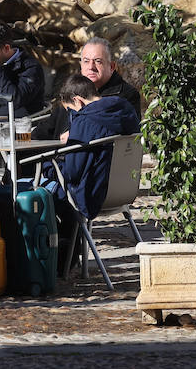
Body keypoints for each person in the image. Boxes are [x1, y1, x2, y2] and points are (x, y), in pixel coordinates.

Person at [48, 73, 141, 275]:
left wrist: (52, 164)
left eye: (71, 112)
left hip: (92, 193)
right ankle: (68, 264)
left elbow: (72, 173)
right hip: (121, 191)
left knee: (46, 194)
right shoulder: (126, 110)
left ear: (78, 101)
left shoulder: (85, 121)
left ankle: (57, 267)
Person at [36, 37, 141, 141]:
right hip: (58, 154)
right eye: (86, 61)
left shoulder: (126, 96)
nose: (91, 67)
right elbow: (45, 129)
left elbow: (122, 134)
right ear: (81, 65)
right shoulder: (72, 89)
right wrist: (22, 137)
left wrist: (76, 134)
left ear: (112, 66)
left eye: (98, 61)